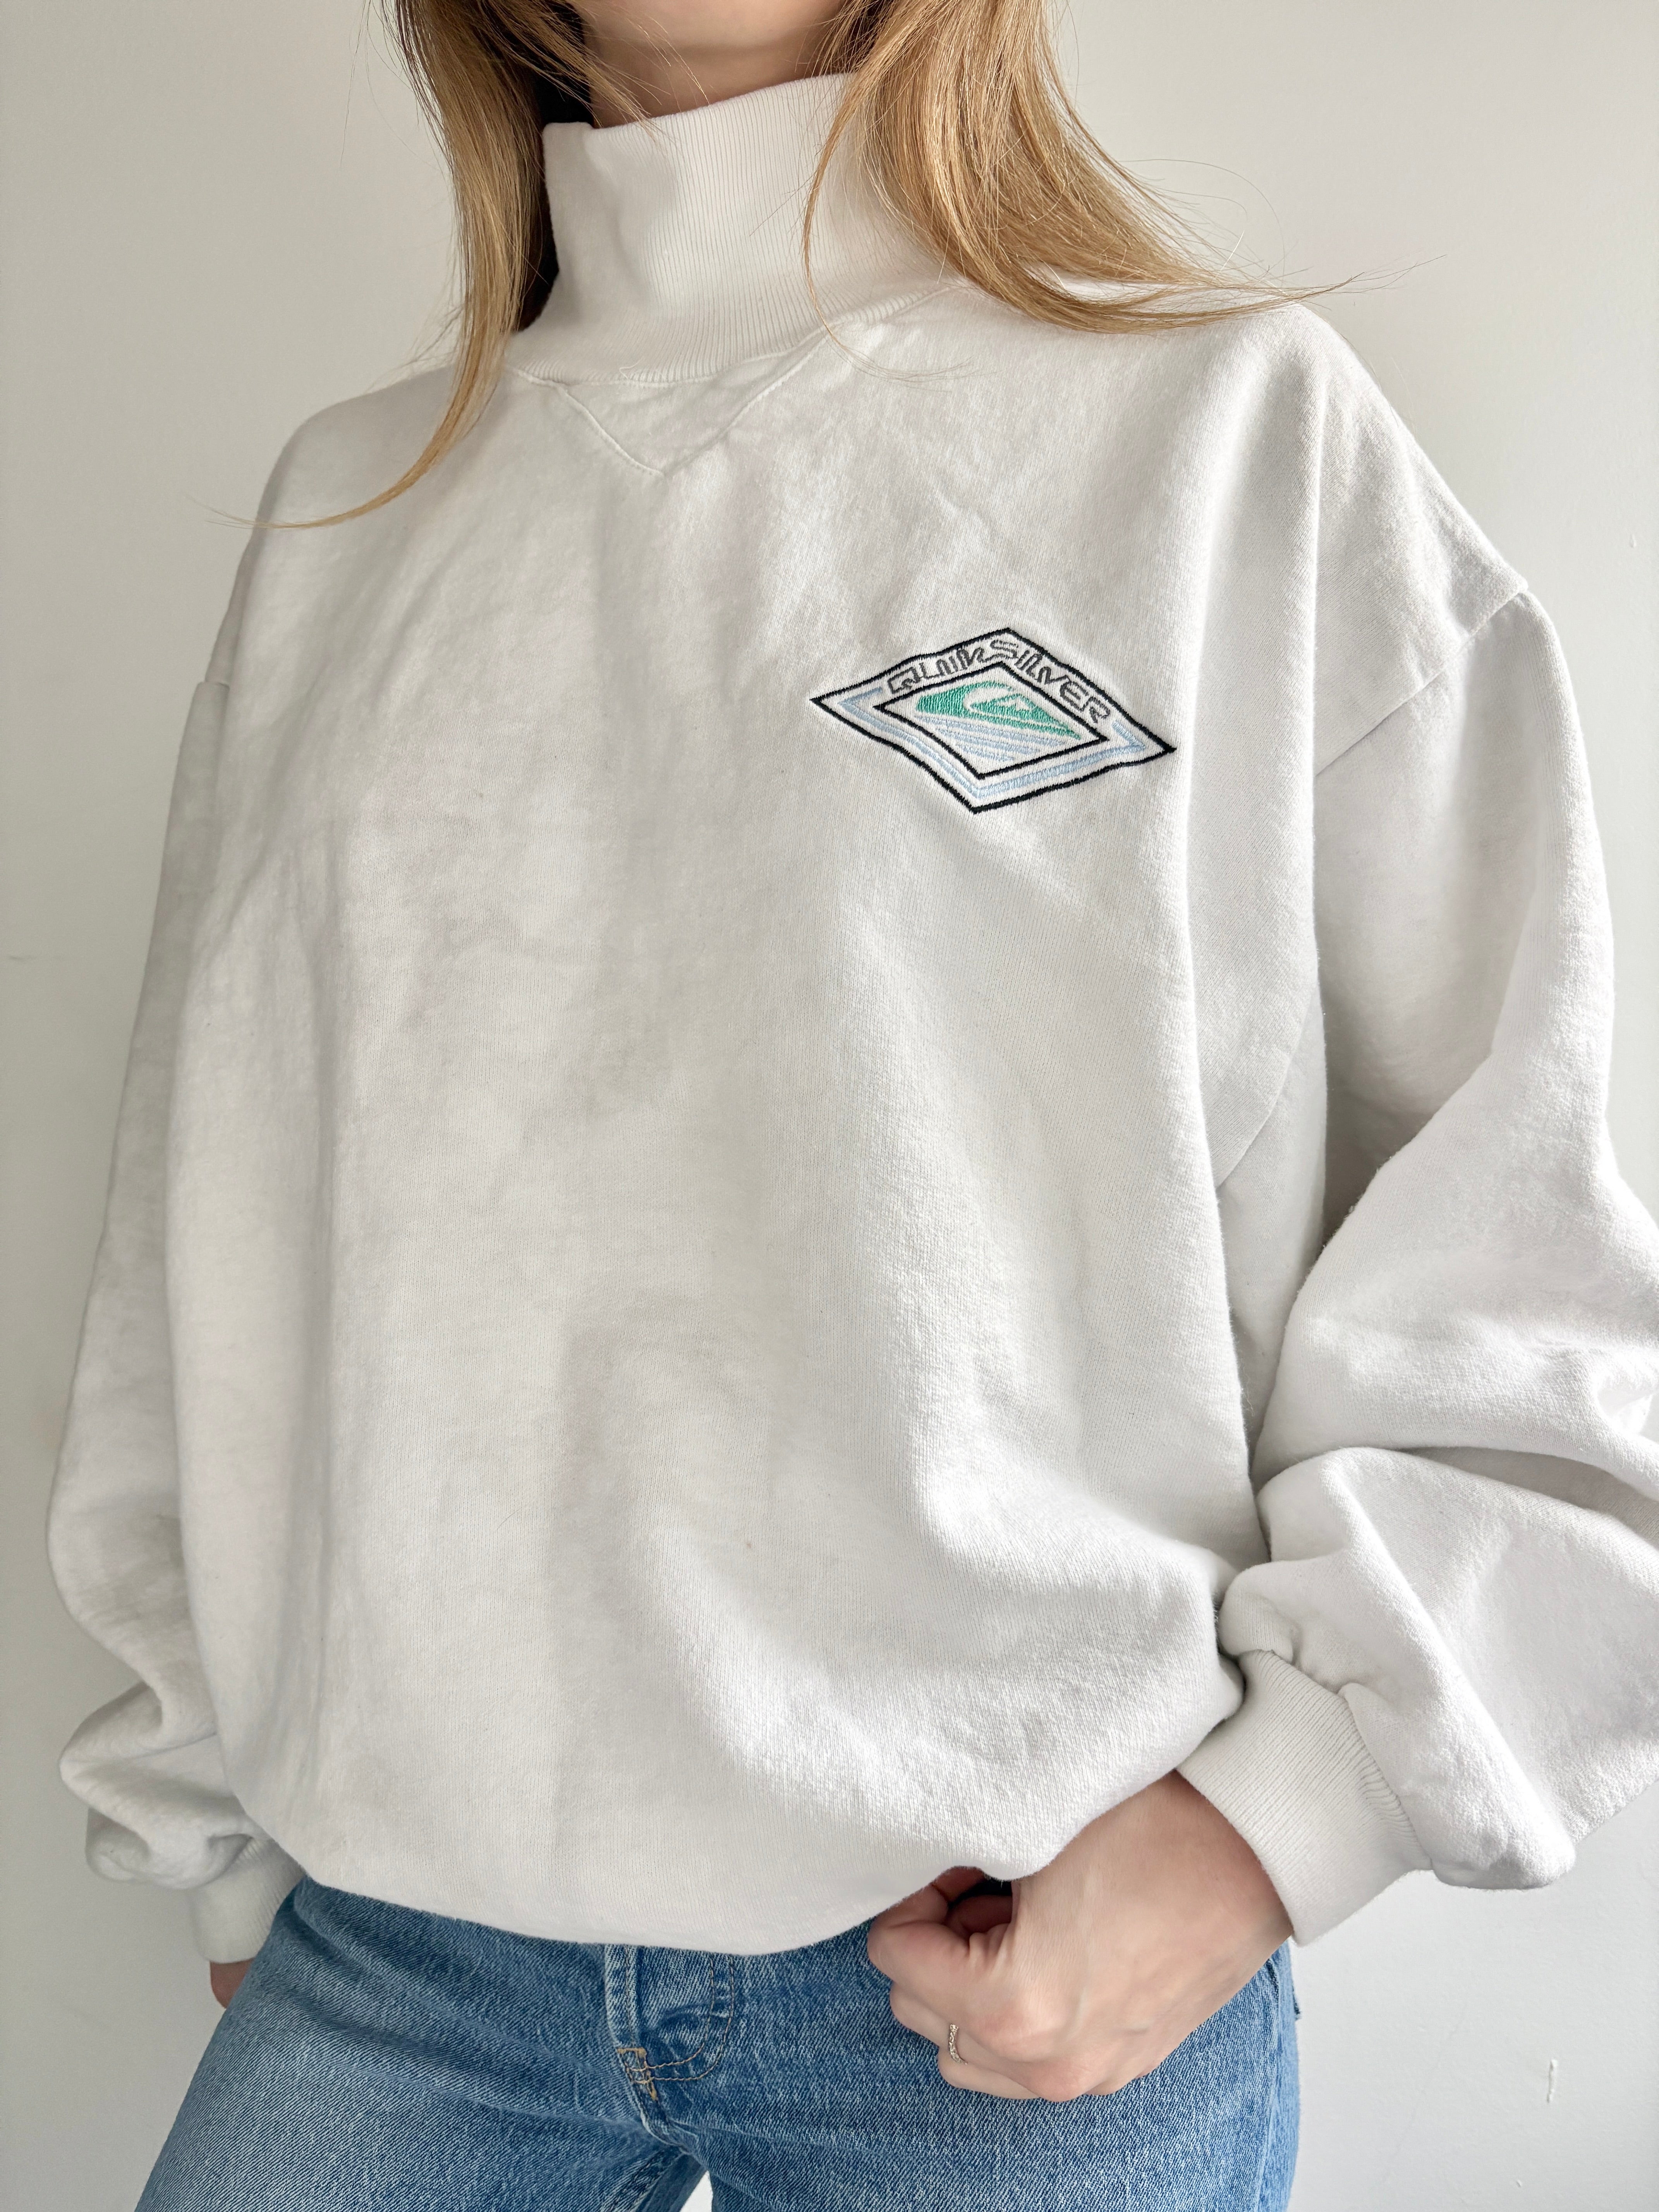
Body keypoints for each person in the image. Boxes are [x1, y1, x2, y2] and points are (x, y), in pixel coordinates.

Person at [48, 0, 1659, 2203]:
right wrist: (207, 1812)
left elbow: (1508, 1224)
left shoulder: (1226, 434)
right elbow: (204, 1225)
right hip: (406, 1953)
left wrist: (1282, 1828)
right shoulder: (354, 515)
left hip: (1020, 1947)